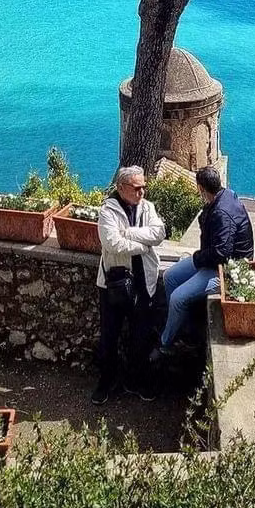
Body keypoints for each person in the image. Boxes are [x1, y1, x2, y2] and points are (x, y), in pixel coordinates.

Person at [152, 166, 253, 359]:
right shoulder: (225, 196)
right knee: (170, 277)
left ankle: (166, 343)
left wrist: (198, 259)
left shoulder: (222, 213)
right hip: (210, 259)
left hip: (226, 270)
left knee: (177, 298)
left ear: (200, 188)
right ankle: (182, 327)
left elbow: (221, 253)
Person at [92, 164, 166, 405]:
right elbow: (113, 243)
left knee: (141, 336)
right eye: (136, 188)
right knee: (109, 336)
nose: (141, 192)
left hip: (144, 282)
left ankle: (136, 381)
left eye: (144, 187)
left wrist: (129, 233)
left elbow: (159, 234)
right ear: (122, 188)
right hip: (114, 282)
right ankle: (106, 382)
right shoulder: (107, 212)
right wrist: (143, 245)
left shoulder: (148, 208)